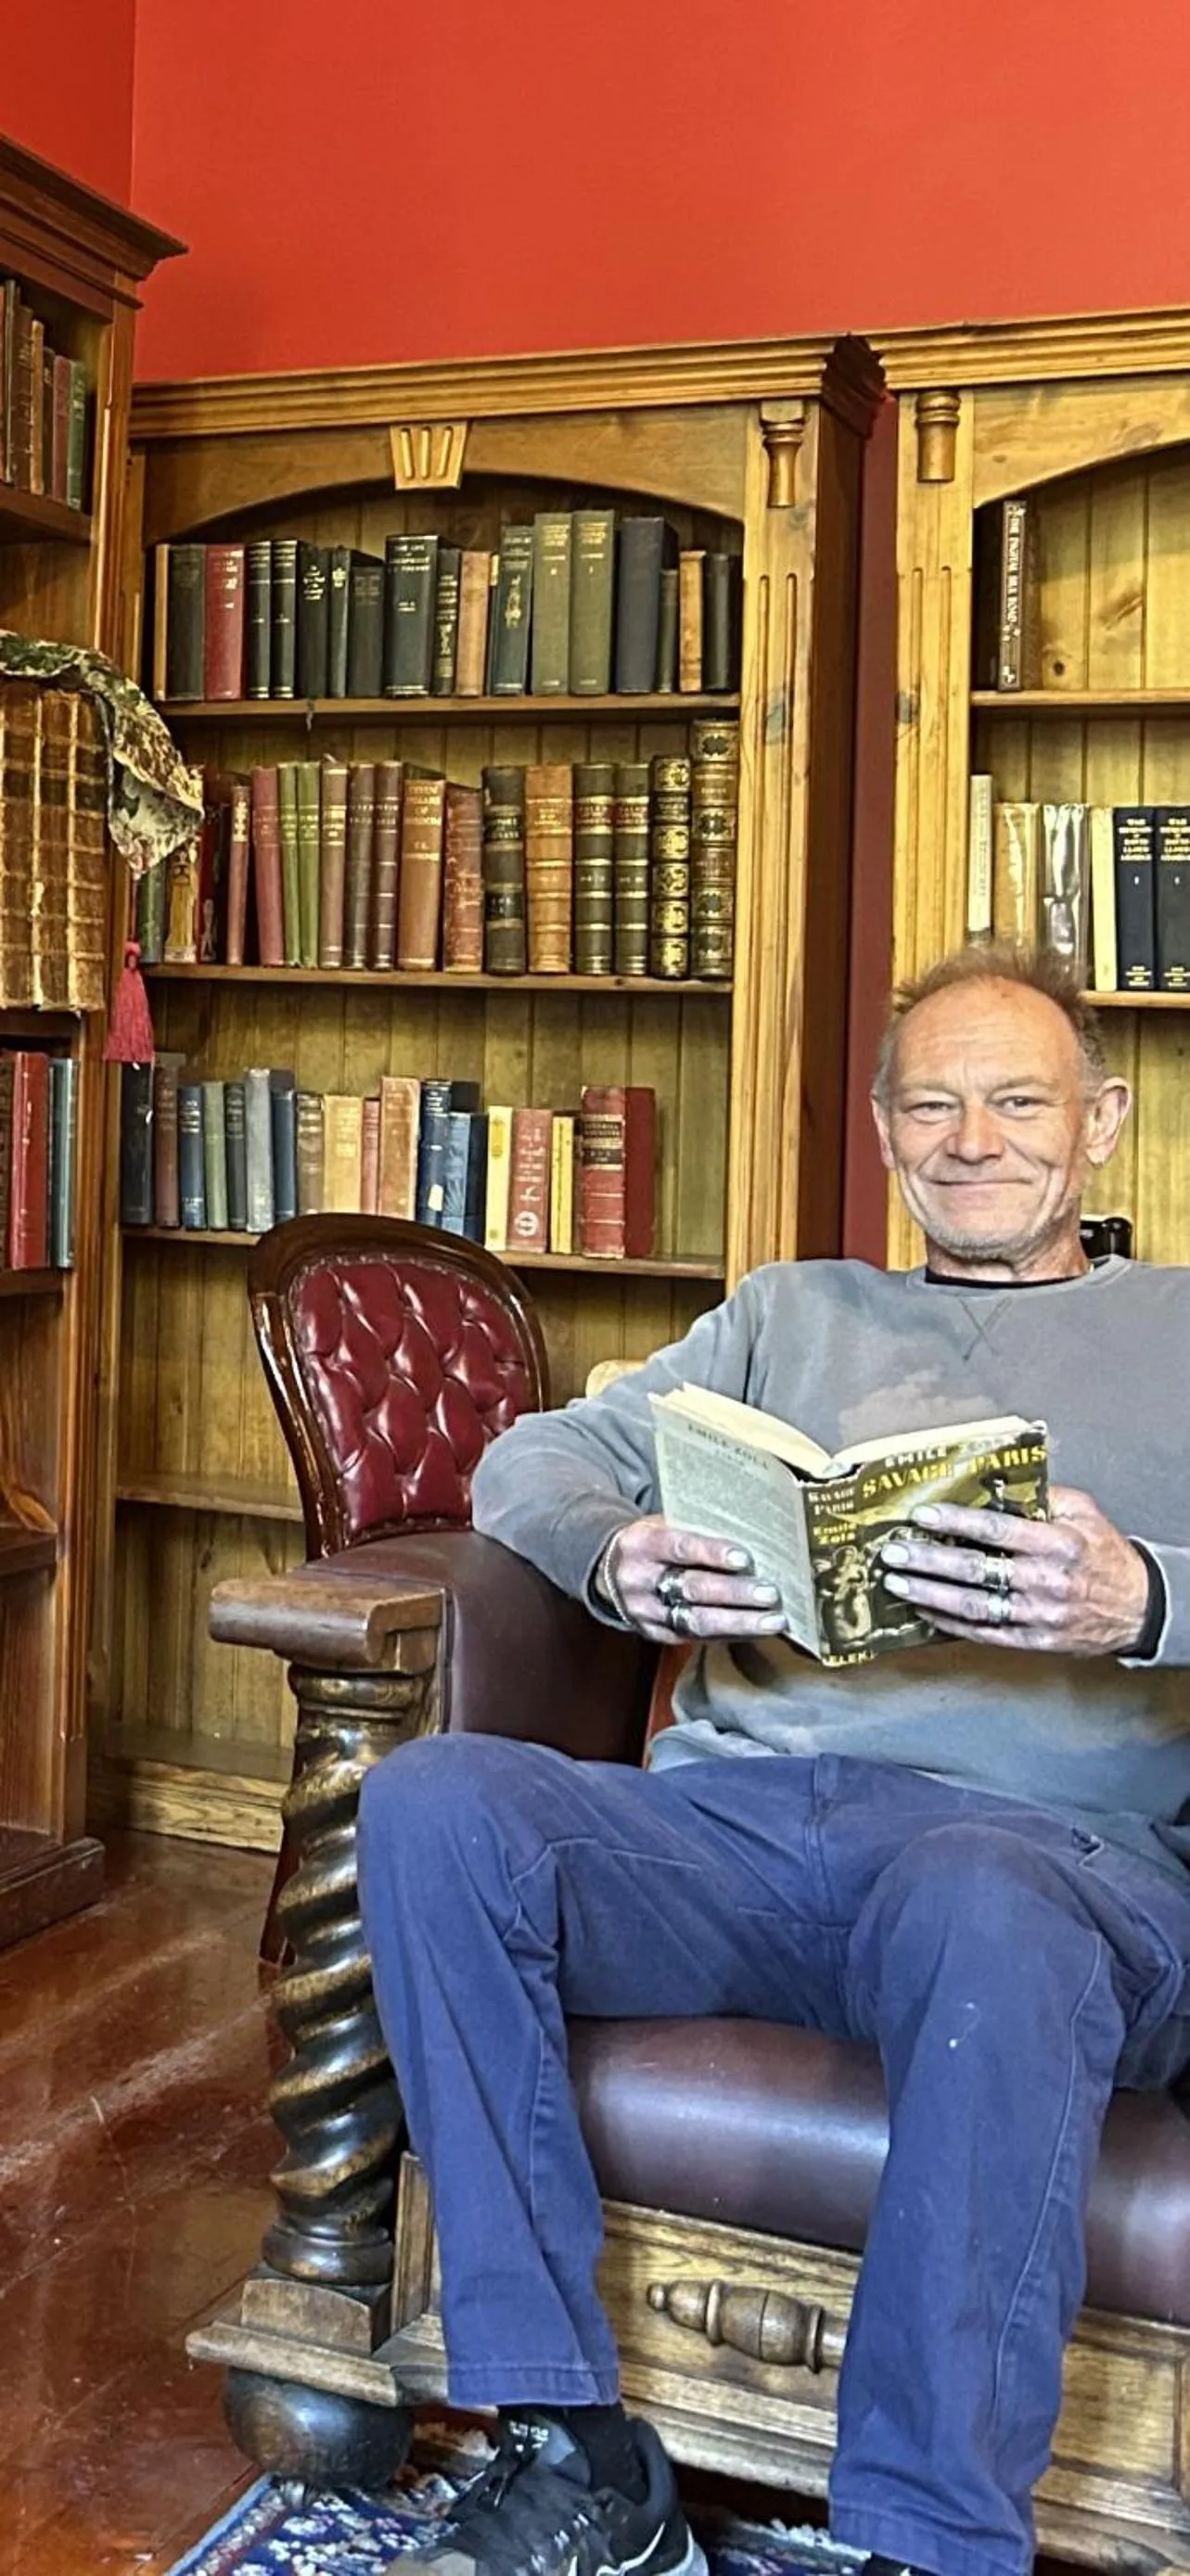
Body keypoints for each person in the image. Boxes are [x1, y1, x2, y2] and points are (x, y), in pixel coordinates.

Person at [359, 944, 1190, 2576]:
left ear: (1096, 1122)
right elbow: (533, 1454)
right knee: (434, 1801)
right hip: (738, 1833)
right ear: (883, 1132)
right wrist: (624, 1558)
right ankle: (571, 2444)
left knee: (981, 1896)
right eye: (930, 1103)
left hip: (1039, 1861)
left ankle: (930, 2538)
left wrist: (1143, 1593)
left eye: (1016, 1100)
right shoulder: (787, 1311)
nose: (972, 1139)